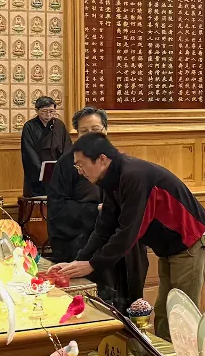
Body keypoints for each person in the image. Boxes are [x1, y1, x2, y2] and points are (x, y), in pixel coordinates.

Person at [49, 134, 205, 338]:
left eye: (81, 165)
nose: (79, 171)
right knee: (164, 310)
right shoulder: (111, 179)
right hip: (171, 246)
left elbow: (128, 232)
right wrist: (77, 263)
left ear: (101, 159)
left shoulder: (133, 176)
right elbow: (104, 228)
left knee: (181, 314)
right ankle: (165, 355)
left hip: (192, 241)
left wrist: (93, 264)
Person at [45, 108, 149, 312]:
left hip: (122, 241)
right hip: (85, 239)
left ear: (106, 131)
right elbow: (57, 207)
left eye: (96, 129)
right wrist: (94, 211)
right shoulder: (67, 164)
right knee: (98, 305)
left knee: (131, 302)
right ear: (76, 134)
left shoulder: (117, 161)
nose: (90, 136)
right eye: (84, 131)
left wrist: (110, 212)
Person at [20, 95, 72, 196]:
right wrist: (41, 171)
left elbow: (67, 147)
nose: (48, 114)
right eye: (44, 111)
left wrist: (63, 167)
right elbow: (29, 151)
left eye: (51, 111)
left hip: (57, 170)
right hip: (38, 172)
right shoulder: (29, 126)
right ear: (36, 110)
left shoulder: (59, 125)